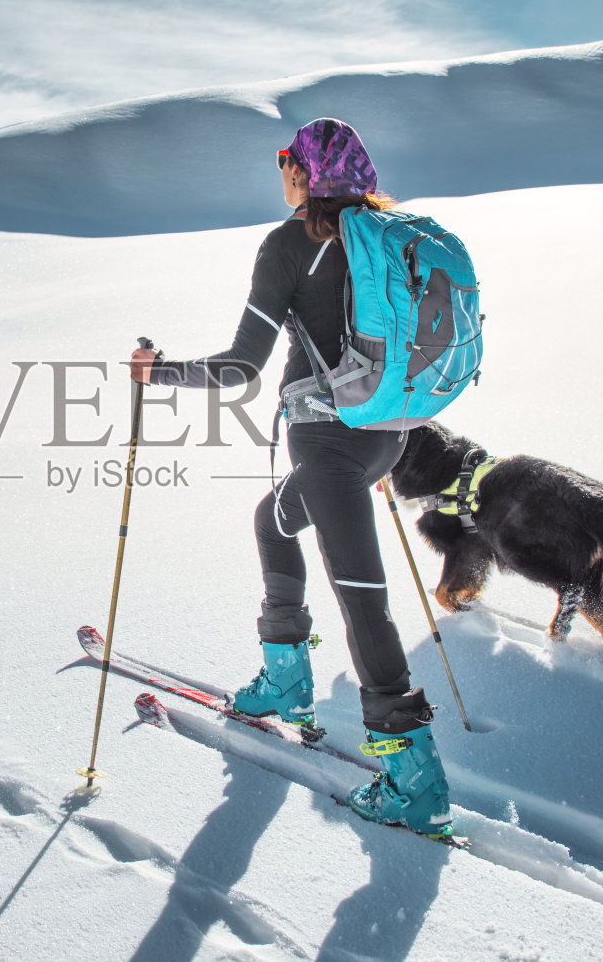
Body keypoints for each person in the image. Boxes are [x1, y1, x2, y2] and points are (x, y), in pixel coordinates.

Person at [129, 118, 454, 839]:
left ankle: (414, 777)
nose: (281, 173)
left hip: (330, 445)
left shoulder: (288, 245)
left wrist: (161, 374)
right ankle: (285, 678)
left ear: (306, 174)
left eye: (286, 162)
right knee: (272, 519)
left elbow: (243, 366)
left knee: (361, 599)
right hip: (388, 437)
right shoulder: (393, 235)